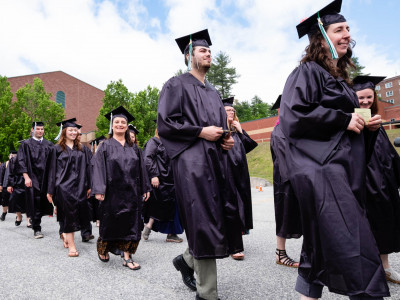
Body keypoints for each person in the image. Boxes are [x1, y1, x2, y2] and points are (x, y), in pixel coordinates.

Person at [279, 0, 389, 299]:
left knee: (317, 249)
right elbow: (293, 117)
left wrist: (367, 128)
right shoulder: (306, 72)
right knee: (356, 247)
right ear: (322, 37)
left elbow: (345, 133)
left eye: (348, 29)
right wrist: (343, 118)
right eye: (339, 29)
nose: (347, 34)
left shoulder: (340, 82)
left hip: (337, 170)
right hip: (321, 171)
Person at [157, 29, 240, 300]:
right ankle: (207, 294)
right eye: (202, 50)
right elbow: (166, 124)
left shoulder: (214, 92)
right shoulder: (175, 85)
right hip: (192, 164)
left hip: (215, 162)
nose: (208, 53)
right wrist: (199, 131)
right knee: (203, 221)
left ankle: (187, 260)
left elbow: (219, 128)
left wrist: (225, 141)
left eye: (209, 51)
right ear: (189, 56)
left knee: (215, 218)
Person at [354, 75, 400, 284]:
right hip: (364, 183)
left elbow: (389, 153)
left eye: (369, 98)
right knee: (365, 226)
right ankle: (365, 269)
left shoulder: (377, 122)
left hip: (384, 183)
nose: (365, 102)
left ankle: (386, 267)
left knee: (385, 223)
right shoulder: (352, 122)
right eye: (360, 98)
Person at [91, 106, 150, 270]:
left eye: (123, 122)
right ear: (112, 125)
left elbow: (142, 169)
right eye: (117, 122)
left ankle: (127, 257)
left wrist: (145, 188)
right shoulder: (105, 146)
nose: (120, 124)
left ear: (127, 126)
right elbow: (98, 168)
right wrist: (99, 189)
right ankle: (103, 248)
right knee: (110, 222)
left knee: (131, 225)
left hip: (131, 192)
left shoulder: (135, 148)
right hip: (111, 193)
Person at [47, 119, 92, 257]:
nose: (73, 132)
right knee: (69, 215)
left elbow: (89, 168)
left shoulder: (83, 149)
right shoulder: (56, 149)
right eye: (70, 130)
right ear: (64, 132)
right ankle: (72, 246)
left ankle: (66, 235)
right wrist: (50, 190)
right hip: (63, 188)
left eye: (75, 130)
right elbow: (51, 171)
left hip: (80, 187)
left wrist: (89, 185)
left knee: (80, 213)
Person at [222, 97, 258, 260]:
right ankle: (235, 246)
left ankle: (233, 242)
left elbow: (249, 146)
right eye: (228, 110)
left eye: (233, 110)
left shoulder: (237, 131)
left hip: (240, 176)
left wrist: (241, 130)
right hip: (225, 174)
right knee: (228, 208)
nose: (231, 112)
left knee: (239, 207)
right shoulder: (220, 130)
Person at [270, 95, 302, 268]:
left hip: (296, 177)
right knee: (284, 215)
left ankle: (314, 253)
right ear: (279, 111)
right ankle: (280, 253)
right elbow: (284, 158)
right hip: (287, 180)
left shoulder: (295, 126)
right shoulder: (280, 129)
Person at [142, 127, 184, 243]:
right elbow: (147, 158)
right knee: (159, 204)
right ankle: (149, 227)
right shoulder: (153, 141)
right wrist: (153, 175)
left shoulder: (170, 143)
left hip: (172, 180)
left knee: (170, 206)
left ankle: (169, 233)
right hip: (160, 179)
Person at [17, 122, 54, 239]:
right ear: (32, 130)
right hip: (33, 177)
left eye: (42, 129)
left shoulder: (49, 145)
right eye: (38, 129)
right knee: (35, 201)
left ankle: (64, 230)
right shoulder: (25, 144)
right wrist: (26, 177)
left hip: (47, 177)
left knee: (46, 200)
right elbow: (21, 161)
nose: (40, 131)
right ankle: (37, 228)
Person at [7, 147, 28, 226]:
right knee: (16, 201)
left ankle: (28, 220)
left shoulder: (30, 159)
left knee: (27, 201)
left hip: (27, 182)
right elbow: (10, 173)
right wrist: (9, 184)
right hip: (16, 183)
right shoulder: (13, 160)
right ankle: (19, 216)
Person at [89, 135, 105, 228]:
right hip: (97, 181)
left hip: (106, 182)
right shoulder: (94, 157)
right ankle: (98, 219)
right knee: (98, 202)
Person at [0, 151, 15, 222]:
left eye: (14, 156)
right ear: (9, 156)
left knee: (18, 201)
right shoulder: (4, 164)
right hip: (5, 185)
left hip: (16, 185)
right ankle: (4, 212)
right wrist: (0, 184)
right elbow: (1, 175)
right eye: (11, 156)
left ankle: (19, 216)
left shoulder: (19, 164)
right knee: (5, 201)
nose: (12, 157)